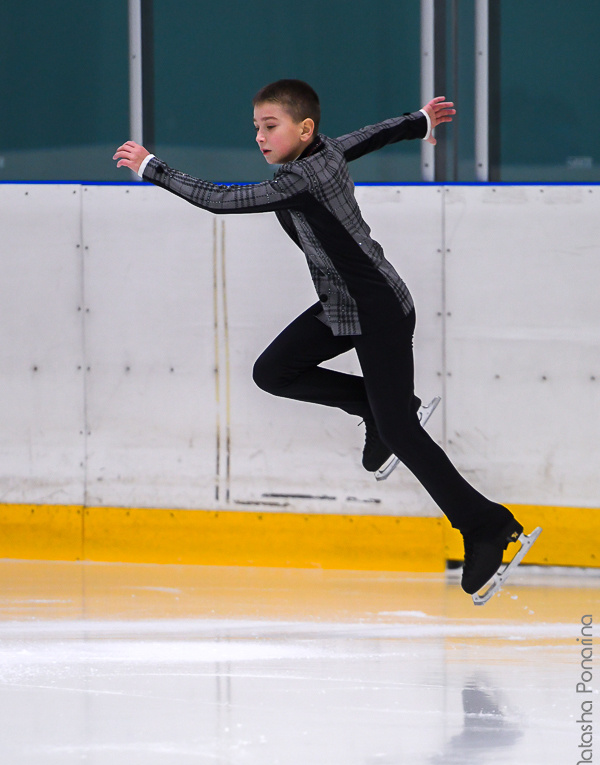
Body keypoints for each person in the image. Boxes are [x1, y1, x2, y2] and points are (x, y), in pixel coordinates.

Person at [113, 79, 523, 596]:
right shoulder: (324, 150)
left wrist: (153, 167)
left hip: (378, 311)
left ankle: (486, 525)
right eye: (256, 127)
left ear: (304, 129)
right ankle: (375, 408)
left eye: (270, 126)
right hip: (342, 304)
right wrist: (417, 122)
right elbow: (367, 137)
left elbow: (220, 200)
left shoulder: (299, 179)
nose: (259, 137)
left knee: (401, 432)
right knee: (274, 372)